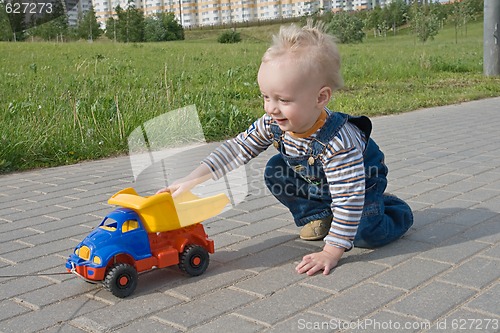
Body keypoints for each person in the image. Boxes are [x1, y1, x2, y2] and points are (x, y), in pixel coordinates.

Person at [158, 21, 413, 276]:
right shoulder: (273, 122)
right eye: (266, 97)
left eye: (283, 99)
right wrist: (192, 180)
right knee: (276, 170)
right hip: (320, 181)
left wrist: (331, 251)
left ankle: (389, 209)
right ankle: (321, 215)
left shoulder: (339, 144)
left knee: (363, 234)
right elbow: (237, 148)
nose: (271, 108)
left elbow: (347, 198)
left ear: (320, 98)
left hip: (359, 185)